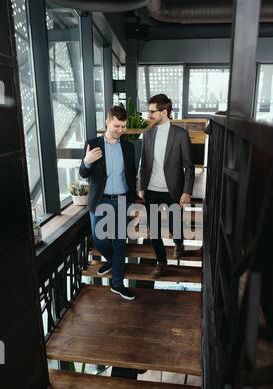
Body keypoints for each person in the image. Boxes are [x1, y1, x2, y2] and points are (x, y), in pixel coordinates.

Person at [79, 106, 136, 300]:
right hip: (100, 200)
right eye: (117, 126)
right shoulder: (92, 144)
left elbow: (131, 175)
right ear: (107, 121)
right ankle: (113, 261)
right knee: (99, 238)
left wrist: (133, 200)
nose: (120, 130)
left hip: (121, 200)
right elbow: (83, 173)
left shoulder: (128, 147)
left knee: (120, 243)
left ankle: (117, 284)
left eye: (123, 126)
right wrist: (87, 161)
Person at [138, 94, 194, 277]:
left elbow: (188, 166)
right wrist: (141, 187)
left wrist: (186, 192)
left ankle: (179, 242)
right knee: (154, 231)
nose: (149, 115)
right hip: (151, 190)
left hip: (173, 191)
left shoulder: (180, 134)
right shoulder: (147, 133)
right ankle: (161, 262)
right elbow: (144, 163)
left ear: (164, 112)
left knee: (173, 225)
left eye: (152, 111)